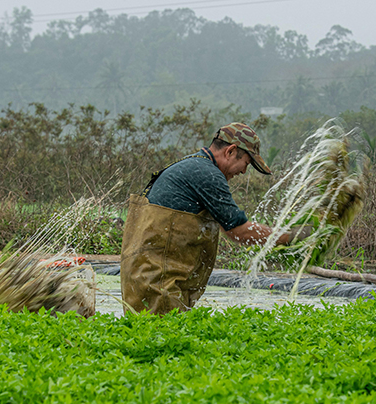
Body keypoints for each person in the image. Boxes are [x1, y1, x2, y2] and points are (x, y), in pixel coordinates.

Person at [120, 122, 311, 314]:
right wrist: (291, 237)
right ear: (230, 151)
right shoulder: (206, 174)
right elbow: (239, 231)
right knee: (164, 339)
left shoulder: (192, 165)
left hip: (147, 277)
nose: (244, 171)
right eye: (246, 163)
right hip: (159, 283)